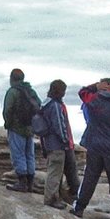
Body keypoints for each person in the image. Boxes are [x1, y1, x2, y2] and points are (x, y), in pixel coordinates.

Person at [70, 78, 110, 219]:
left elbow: (82, 92)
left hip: (94, 145)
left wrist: (95, 86)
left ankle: (79, 208)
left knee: (90, 177)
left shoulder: (92, 99)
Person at [38, 79, 79, 209]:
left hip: (49, 143)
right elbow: (59, 126)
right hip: (57, 145)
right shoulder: (55, 105)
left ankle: (56, 196)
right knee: (55, 173)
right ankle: (51, 199)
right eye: (63, 91)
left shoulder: (45, 104)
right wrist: (65, 140)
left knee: (56, 172)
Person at [2, 68, 42, 192]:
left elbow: (7, 110)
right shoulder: (30, 91)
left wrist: (8, 124)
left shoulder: (12, 91)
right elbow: (39, 105)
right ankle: (30, 183)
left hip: (16, 128)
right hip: (29, 128)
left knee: (18, 154)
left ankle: (21, 182)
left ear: (11, 78)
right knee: (29, 155)